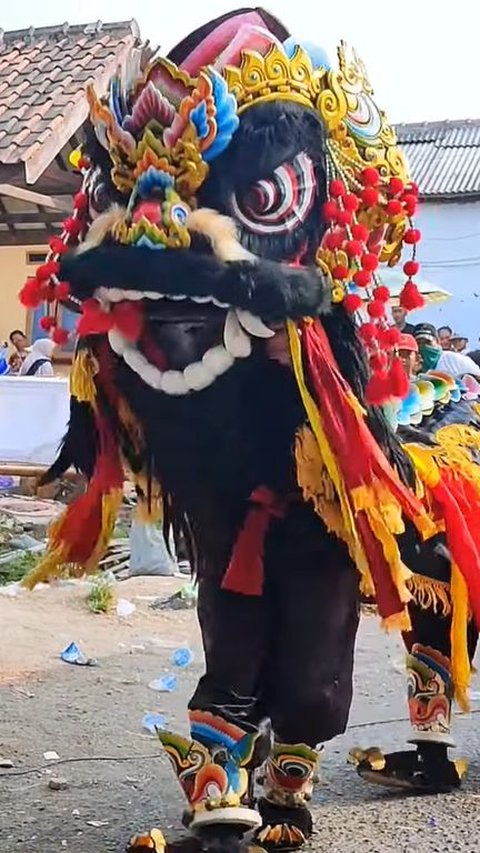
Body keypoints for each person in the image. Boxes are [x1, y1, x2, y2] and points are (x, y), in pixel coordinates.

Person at [19, 10, 480, 852]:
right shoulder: (142, 348)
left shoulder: (324, 358)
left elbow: (357, 429)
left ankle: (289, 772)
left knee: (312, 671)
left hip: (317, 496)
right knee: (232, 637)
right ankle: (223, 788)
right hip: (223, 492)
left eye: (261, 197)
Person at [414, 322, 480, 377]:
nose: (423, 347)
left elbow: (477, 376)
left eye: (428, 342)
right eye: (419, 343)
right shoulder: (412, 364)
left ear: (437, 342)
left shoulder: (454, 359)